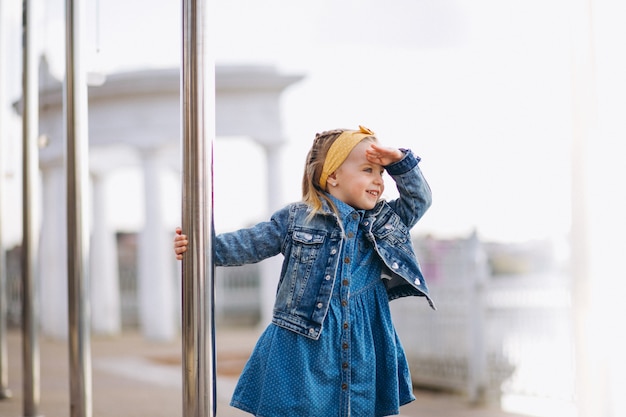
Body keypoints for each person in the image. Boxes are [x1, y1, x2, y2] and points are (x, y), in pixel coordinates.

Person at [173, 125, 435, 417]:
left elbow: (419, 200)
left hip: (364, 341)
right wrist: (200, 248)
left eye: (380, 173)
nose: (378, 181)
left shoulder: (384, 221)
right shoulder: (299, 218)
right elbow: (251, 243)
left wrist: (400, 162)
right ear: (332, 175)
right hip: (304, 343)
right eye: (367, 170)